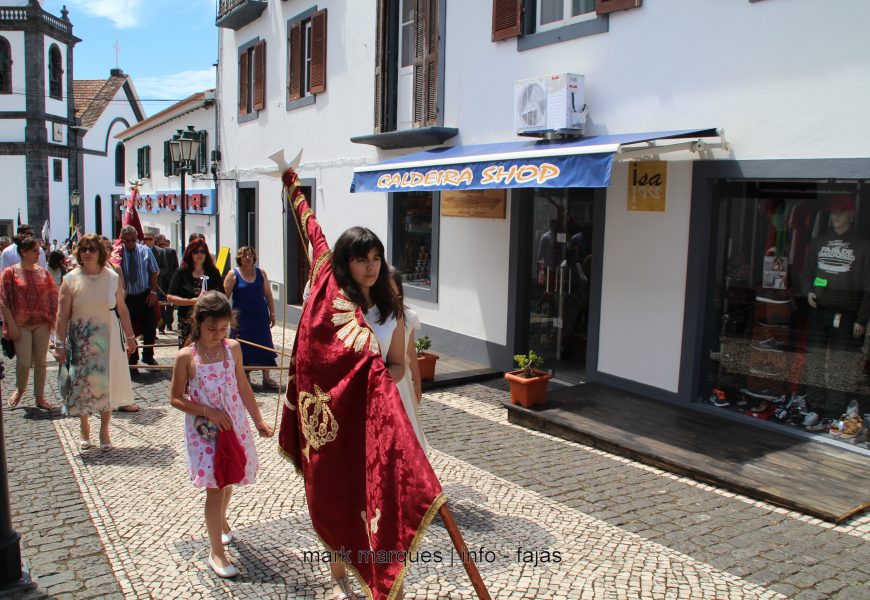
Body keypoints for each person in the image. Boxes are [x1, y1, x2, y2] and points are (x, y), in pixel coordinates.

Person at [326, 226, 406, 598]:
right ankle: (340, 571)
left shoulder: (391, 308)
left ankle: (388, 575)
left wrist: (381, 380)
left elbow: (398, 363)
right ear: (346, 263)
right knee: (343, 496)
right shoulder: (335, 308)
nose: (371, 267)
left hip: (382, 418)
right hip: (344, 419)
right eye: (362, 259)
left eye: (376, 258)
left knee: (384, 499)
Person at [168, 291, 272, 578]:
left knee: (229, 479)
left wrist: (259, 420)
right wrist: (206, 411)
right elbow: (175, 398)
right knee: (214, 487)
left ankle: (222, 522)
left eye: (223, 328)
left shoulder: (233, 349)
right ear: (198, 323)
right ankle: (217, 551)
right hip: (205, 431)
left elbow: (243, 386)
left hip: (233, 424)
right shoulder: (186, 356)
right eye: (212, 328)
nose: (218, 334)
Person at [54, 234, 137, 451]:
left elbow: (122, 309)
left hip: (108, 335)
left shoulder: (111, 277)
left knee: (105, 384)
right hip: (80, 338)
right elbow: (62, 315)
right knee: (83, 385)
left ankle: (104, 429)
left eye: (92, 249)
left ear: (101, 252)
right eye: (83, 249)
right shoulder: (70, 280)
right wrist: (59, 344)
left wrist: (130, 337)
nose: (87, 253)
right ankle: (84, 427)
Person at [799, 193, 870, 421]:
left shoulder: (863, 246)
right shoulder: (818, 242)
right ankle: (814, 405)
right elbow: (807, 273)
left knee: (840, 364)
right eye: (833, 212)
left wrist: (861, 318)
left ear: (851, 214)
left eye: (840, 212)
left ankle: (834, 410)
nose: (836, 216)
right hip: (820, 311)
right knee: (815, 360)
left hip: (847, 314)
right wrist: (809, 290)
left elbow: (869, 287)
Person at [0, 236, 58, 409]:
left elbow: (52, 295)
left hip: (41, 322)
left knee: (41, 361)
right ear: (23, 252)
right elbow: (4, 300)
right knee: (24, 361)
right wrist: (10, 325)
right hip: (20, 323)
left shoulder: (43, 272)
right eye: (34, 250)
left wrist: (52, 317)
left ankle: (39, 397)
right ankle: (20, 389)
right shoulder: (10, 273)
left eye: (39, 250)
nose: (38, 253)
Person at [223, 246, 278, 388]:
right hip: (241, 318)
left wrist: (272, 313)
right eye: (244, 255)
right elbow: (224, 297)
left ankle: (267, 378)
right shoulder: (233, 274)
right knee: (243, 346)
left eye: (250, 255)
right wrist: (228, 317)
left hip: (260, 315)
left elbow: (268, 294)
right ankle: (245, 377)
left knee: (264, 343)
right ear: (239, 258)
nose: (248, 258)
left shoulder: (261, 273)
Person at [388, 266, 428, 455]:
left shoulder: (407, 316)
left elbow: (411, 352)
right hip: (383, 376)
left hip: (402, 379)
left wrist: (418, 383)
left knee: (406, 422)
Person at [119, 225, 159, 374]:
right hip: (127, 298)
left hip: (144, 295)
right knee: (129, 330)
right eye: (126, 241)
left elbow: (154, 271)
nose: (129, 243)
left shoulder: (145, 250)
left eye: (132, 240)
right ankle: (132, 359)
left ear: (137, 239)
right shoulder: (119, 254)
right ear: (122, 240)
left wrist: (153, 292)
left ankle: (148, 356)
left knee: (150, 327)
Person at [167, 238, 222, 347]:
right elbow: (170, 297)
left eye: (202, 252)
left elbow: (222, 294)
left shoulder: (213, 272)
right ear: (190, 253)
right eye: (196, 252)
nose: (199, 255)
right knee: (188, 351)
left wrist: (209, 299)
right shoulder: (181, 272)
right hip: (187, 319)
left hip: (209, 319)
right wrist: (192, 301)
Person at [143, 232, 169, 334]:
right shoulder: (140, 251)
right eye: (146, 239)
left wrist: (158, 272)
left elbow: (165, 268)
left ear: (154, 240)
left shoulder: (160, 252)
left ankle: (161, 327)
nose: (148, 241)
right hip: (144, 286)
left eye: (150, 239)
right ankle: (147, 332)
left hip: (157, 285)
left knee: (159, 308)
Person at [155, 234, 179, 332]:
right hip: (159, 282)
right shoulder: (154, 252)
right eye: (160, 244)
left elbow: (176, 267)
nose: (162, 246)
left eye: (163, 244)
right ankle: (162, 325)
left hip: (170, 282)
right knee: (160, 304)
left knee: (170, 304)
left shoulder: (171, 252)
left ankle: (169, 323)